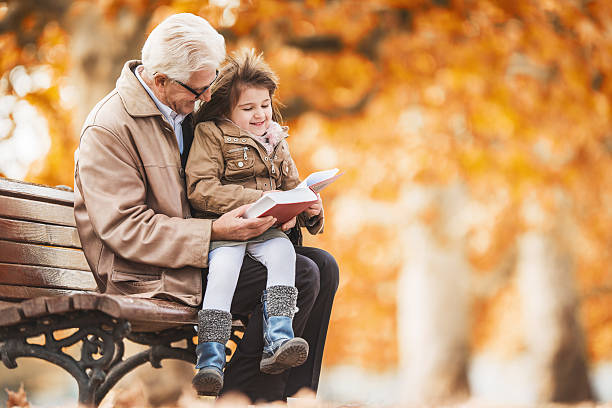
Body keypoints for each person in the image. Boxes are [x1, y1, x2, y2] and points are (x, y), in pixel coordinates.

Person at [73, 13, 339, 402]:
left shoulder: (186, 110)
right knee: (302, 274)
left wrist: (291, 206)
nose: (207, 97)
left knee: (324, 267)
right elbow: (126, 228)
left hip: (202, 256)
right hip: (148, 274)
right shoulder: (109, 129)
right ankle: (246, 399)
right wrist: (214, 231)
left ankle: (293, 396)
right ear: (159, 78)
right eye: (199, 89)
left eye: (210, 83)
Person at [185, 49, 326, 396]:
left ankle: (279, 340)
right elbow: (201, 188)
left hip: (268, 233)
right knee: (225, 273)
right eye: (248, 109)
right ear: (226, 110)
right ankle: (211, 359)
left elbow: (292, 186)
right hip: (228, 233)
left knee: (290, 261)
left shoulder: (276, 140)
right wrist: (257, 201)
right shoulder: (212, 134)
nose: (260, 114)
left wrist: (310, 207)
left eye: (264, 105)